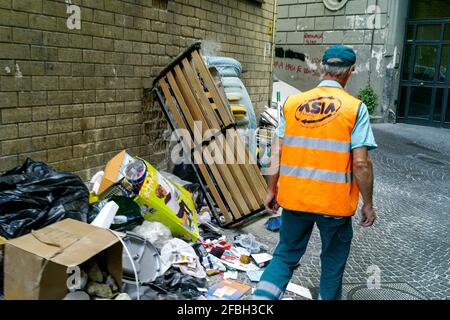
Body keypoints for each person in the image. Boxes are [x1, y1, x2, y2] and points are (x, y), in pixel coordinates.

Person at [253, 45, 378, 300]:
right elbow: (361, 164)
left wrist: (270, 189)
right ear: (350, 72)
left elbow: (276, 153)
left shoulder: (292, 103)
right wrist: (368, 203)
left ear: (322, 68)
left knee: (286, 255)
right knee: (332, 262)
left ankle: (260, 301)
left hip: (295, 200)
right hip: (334, 205)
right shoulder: (355, 109)